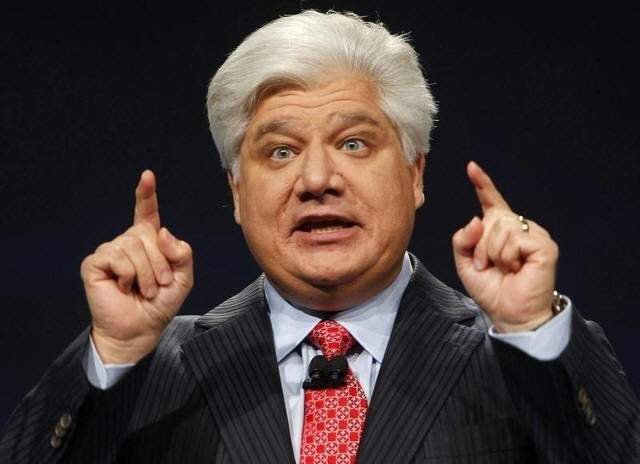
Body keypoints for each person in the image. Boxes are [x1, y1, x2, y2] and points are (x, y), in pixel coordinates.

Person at [1, 10, 638, 464]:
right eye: (279, 152)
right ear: (236, 192)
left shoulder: (516, 354)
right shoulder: (151, 372)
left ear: (416, 174)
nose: (315, 180)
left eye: (353, 143)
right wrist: (114, 351)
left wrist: (530, 331)